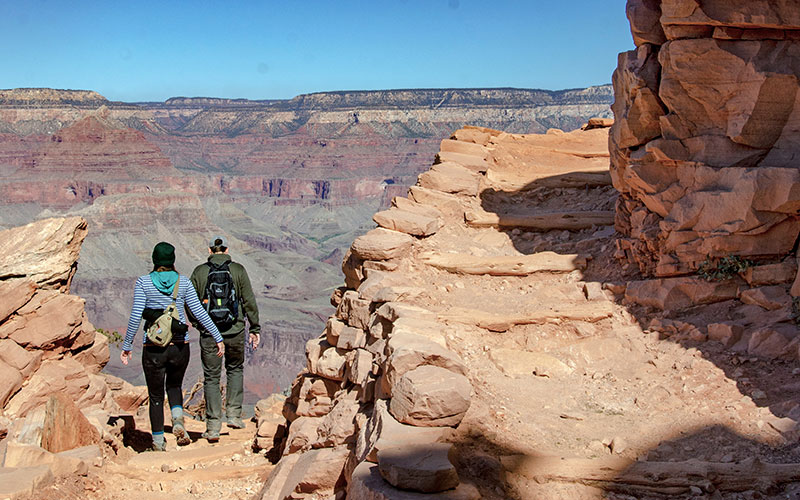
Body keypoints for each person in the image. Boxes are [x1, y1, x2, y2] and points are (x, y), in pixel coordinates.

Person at [121, 241, 224, 451]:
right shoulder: (184, 283)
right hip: (180, 345)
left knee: (156, 395)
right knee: (174, 386)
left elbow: (135, 316)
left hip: (153, 347)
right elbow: (199, 313)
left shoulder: (143, 282)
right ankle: (178, 419)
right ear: (173, 260)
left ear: (155, 260)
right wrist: (218, 337)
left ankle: (158, 442)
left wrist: (127, 344)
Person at [190, 236, 260, 442]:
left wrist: (198, 324)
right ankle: (234, 415)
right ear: (227, 250)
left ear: (210, 251)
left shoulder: (200, 272)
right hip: (235, 329)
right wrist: (255, 326)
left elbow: (190, 302)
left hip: (210, 334)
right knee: (235, 369)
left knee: (211, 377)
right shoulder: (238, 270)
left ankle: (213, 425)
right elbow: (248, 300)